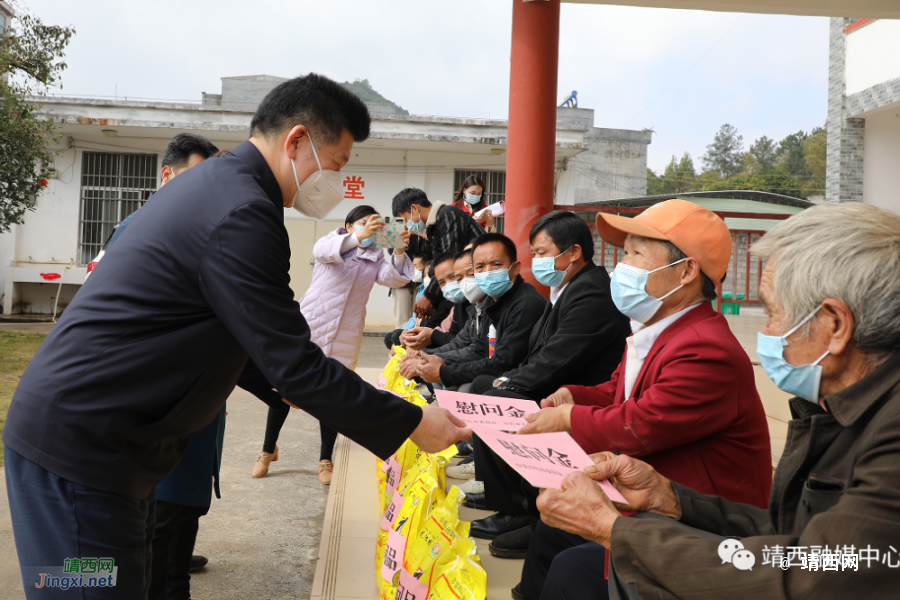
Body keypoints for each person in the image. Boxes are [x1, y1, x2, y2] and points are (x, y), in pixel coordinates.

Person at [3, 73, 470, 600]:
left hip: (109, 443)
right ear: (296, 140)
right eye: (336, 163)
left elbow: (248, 343)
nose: (336, 182)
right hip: (80, 451)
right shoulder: (243, 211)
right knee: (86, 588)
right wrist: (411, 422)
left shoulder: (225, 189)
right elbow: (292, 360)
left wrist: (287, 386)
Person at [536, 202, 900, 600]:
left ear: (834, 325)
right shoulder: (845, 410)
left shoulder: (888, 434)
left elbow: (816, 574)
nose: (766, 332)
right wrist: (671, 499)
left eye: (772, 312)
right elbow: (793, 538)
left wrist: (614, 530)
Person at [503, 200, 773, 600]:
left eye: (634, 254)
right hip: (652, 492)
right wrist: (571, 396)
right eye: (623, 252)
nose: (621, 267)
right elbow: (618, 392)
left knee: (573, 568)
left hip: (703, 518)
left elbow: (640, 423)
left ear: (685, 271)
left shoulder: (705, 348)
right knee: (553, 529)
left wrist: (568, 419)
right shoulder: (657, 329)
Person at [459, 211, 631, 546]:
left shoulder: (592, 292)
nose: (535, 260)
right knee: (484, 388)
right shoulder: (567, 287)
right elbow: (538, 354)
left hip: (579, 392)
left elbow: (556, 360)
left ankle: (520, 509)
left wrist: (508, 384)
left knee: (498, 400)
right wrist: (507, 379)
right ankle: (501, 493)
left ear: (573, 252)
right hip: (559, 383)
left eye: (541, 253)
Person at [287, 204, 415, 484]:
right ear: (349, 226)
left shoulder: (375, 259)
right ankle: (266, 449)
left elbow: (393, 278)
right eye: (364, 223)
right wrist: (358, 238)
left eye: (376, 224)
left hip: (346, 334)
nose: (371, 227)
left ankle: (325, 458)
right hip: (312, 326)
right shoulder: (331, 243)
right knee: (285, 389)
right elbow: (322, 252)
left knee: (331, 395)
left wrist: (399, 250)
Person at [412, 233, 546, 390]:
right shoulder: (491, 301)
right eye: (480, 267)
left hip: (522, 380)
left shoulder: (525, 304)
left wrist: (445, 371)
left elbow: (504, 361)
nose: (487, 272)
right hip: (498, 371)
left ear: (515, 268)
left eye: (496, 264)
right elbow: (478, 349)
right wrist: (429, 358)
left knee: (470, 386)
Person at [392, 187, 483, 319]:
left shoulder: (447, 215)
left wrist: (428, 297)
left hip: (475, 287)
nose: (407, 224)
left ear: (415, 209)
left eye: (405, 219)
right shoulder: (431, 228)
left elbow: (448, 262)